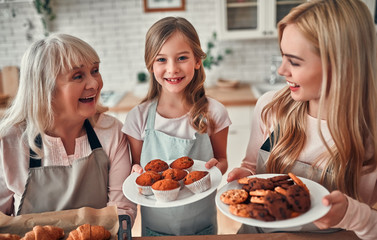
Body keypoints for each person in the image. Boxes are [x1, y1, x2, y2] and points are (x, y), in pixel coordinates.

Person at [227, 0, 377, 239]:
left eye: (294, 61)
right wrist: (243, 175)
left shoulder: (372, 134)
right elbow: (251, 167)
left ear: (341, 65)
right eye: (282, 56)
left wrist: (355, 215)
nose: (281, 70)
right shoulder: (270, 107)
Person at [0, 33, 137, 225]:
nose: (94, 84)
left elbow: (122, 211)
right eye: (78, 76)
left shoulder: (111, 131)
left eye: (95, 70)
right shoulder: (9, 142)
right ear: (45, 87)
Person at [122, 16, 231, 236]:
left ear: (197, 61)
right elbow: (136, 169)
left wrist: (215, 169)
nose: (172, 69)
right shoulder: (138, 117)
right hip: (155, 228)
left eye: (182, 57)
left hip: (203, 226)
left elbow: (222, 160)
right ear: (150, 64)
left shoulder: (213, 112)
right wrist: (135, 171)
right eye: (161, 60)